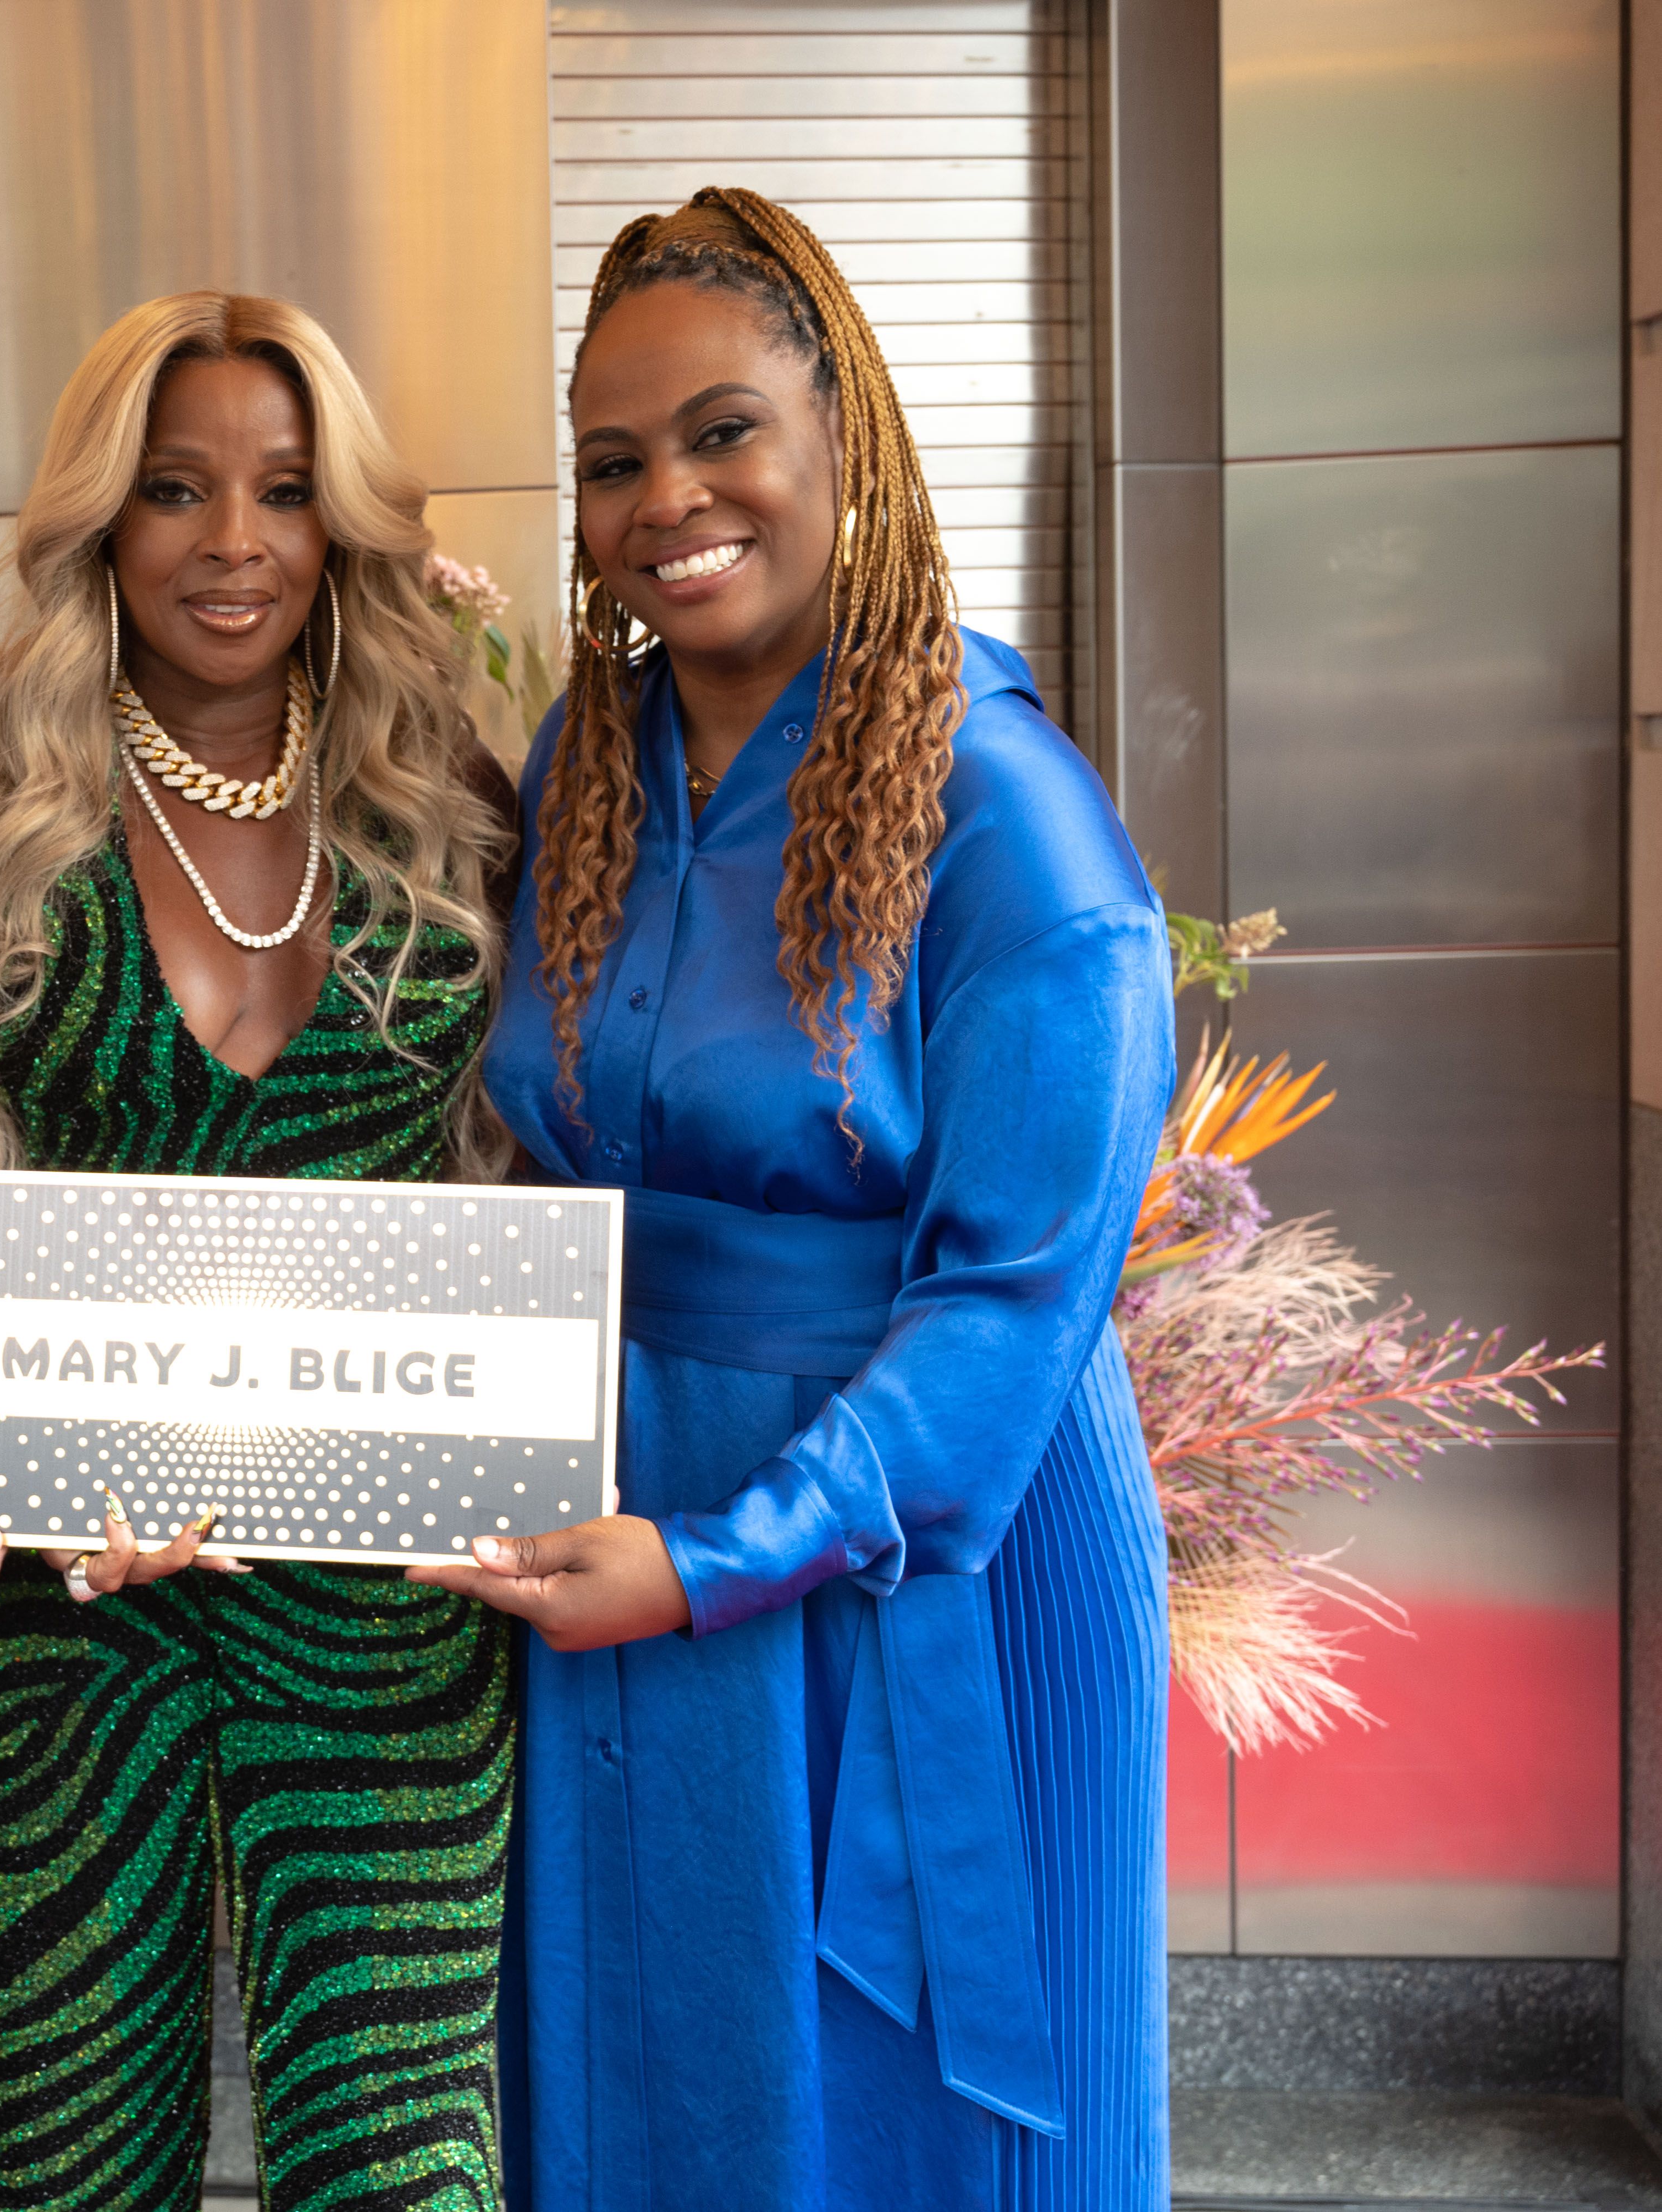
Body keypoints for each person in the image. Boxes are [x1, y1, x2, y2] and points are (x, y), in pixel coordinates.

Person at [415, 189, 1171, 2210]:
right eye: (610, 457)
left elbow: (1013, 1308)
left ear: (844, 434)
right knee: (645, 2082)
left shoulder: (1010, 819)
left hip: (896, 1530)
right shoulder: (592, 756)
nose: (666, 494)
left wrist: (718, 1549)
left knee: (902, 2123)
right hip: (617, 1512)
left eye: (721, 429)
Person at [0, 292, 521, 2209]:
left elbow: (521, 1186)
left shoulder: (446, 806)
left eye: (283, 491)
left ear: (342, 527)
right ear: (98, 520)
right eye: (172, 489)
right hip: (49, 1609)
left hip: (384, 1598)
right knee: (69, 2164)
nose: (230, 540)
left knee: (397, 2159)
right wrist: (39, 1492)